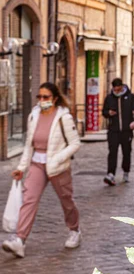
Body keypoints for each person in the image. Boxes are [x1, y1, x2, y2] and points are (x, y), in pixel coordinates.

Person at [2, 82, 81, 258]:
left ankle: (74, 230)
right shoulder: (34, 116)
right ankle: (19, 240)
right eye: (39, 97)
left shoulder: (63, 118)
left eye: (46, 97)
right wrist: (21, 167)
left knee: (66, 200)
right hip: (37, 164)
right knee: (29, 199)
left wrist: (58, 158)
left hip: (57, 166)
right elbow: (29, 145)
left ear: (54, 99)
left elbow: (75, 143)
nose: (42, 100)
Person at [102, 78, 134, 186]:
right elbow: (104, 111)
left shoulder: (130, 97)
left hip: (126, 131)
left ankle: (126, 172)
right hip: (113, 130)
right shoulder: (109, 98)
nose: (116, 91)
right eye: (114, 90)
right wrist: (108, 113)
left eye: (118, 89)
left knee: (126, 152)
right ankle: (110, 174)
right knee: (112, 152)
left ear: (122, 87)